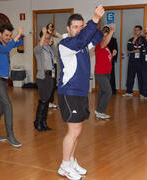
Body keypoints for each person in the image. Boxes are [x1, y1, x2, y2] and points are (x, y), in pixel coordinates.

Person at [57, 5, 104, 180]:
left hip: (80, 93)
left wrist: (93, 26)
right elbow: (81, 41)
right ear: (68, 29)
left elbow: (97, 37)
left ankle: (71, 160)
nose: (78, 29)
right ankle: (64, 165)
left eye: (81, 26)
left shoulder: (83, 43)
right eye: (75, 26)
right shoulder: (66, 44)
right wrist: (94, 21)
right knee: (73, 131)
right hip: (69, 92)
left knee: (78, 129)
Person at [0, 24, 23, 147]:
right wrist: (16, 36)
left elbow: (20, 43)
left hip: (3, 81)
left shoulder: (7, 43)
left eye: (10, 35)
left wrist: (16, 37)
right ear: (0, 34)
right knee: (8, 105)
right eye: (6, 35)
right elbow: (6, 50)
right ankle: (10, 135)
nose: (8, 37)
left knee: (0, 107)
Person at [33, 27, 55, 132]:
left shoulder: (48, 48)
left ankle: (44, 122)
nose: (47, 40)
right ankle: (38, 122)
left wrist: (52, 43)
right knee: (43, 100)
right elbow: (38, 48)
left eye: (48, 38)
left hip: (50, 76)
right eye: (45, 38)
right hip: (42, 77)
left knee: (47, 101)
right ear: (40, 38)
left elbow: (56, 54)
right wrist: (44, 34)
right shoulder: (38, 48)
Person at [94, 24, 116, 119]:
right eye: (104, 36)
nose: (106, 37)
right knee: (108, 92)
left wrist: (113, 55)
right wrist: (112, 30)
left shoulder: (106, 48)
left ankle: (98, 110)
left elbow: (106, 59)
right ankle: (100, 111)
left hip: (107, 72)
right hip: (100, 73)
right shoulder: (99, 45)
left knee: (102, 92)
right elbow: (105, 42)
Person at [123, 25, 146, 98]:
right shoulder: (130, 39)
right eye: (135, 30)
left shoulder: (144, 39)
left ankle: (142, 93)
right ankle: (129, 92)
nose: (136, 32)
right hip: (132, 61)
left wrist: (133, 50)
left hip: (140, 62)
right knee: (130, 77)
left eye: (138, 30)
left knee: (140, 78)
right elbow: (128, 49)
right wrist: (134, 41)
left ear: (141, 31)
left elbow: (142, 50)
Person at [46, 23, 64, 109]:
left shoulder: (55, 40)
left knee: (53, 84)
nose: (51, 30)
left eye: (52, 28)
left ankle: (50, 101)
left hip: (54, 65)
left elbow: (63, 38)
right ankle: (46, 101)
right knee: (48, 84)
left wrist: (56, 34)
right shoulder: (44, 40)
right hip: (46, 66)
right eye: (49, 28)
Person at [105, 27, 118, 95]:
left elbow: (115, 49)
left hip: (110, 60)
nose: (105, 33)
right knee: (103, 76)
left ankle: (113, 90)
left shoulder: (113, 40)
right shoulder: (101, 40)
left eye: (107, 32)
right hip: (103, 61)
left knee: (111, 76)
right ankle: (104, 90)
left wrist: (113, 58)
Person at [141, 31, 147, 99]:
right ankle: (145, 94)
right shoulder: (144, 45)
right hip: (145, 65)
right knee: (145, 80)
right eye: (146, 36)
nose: (146, 38)